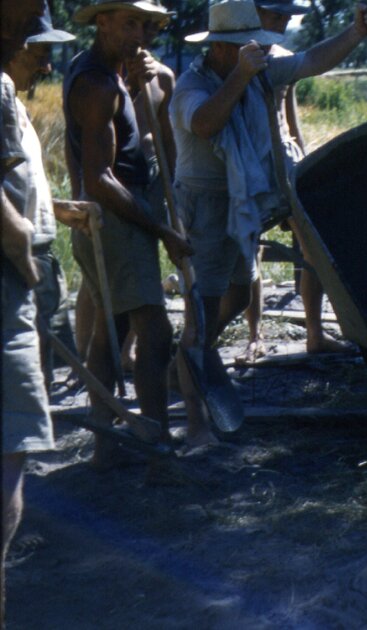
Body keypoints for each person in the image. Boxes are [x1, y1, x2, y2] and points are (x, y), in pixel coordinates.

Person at [170, 0, 367, 445]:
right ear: (225, 48)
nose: (262, 50)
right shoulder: (191, 84)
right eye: (252, 45)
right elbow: (206, 123)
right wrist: (242, 77)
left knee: (239, 293)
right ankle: (194, 425)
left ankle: (192, 364)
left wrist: (355, 31)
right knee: (201, 315)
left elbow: (311, 61)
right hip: (204, 208)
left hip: (239, 202)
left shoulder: (259, 69)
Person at [64, 0, 191, 461]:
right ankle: (156, 443)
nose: (142, 34)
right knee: (155, 336)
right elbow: (101, 175)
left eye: (147, 25)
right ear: (102, 22)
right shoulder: (97, 83)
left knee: (109, 329)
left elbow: (113, 142)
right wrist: (162, 230)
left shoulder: (106, 72)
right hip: (118, 221)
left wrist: (139, 88)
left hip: (109, 217)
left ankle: (105, 441)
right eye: (131, 23)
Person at [240, 0, 354, 362]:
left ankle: (315, 333)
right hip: (250, 166)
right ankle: (254, 335)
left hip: (286, 163)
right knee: (249, 250)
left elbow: (290, 119)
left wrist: (304, 164)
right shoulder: (236, 59)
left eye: (287, 16)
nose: (283, 22)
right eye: (276, 14)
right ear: (254, 13)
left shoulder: (285, 56)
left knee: (314, 247)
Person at [2, 0, 57, 620]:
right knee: (9, 453)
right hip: (9, 277)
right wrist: (22, 252)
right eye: (37, 35)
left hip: (21, 263)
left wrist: (48, 216)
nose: (44, 55)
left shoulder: (12, 98)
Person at [4, 20, 92, 389]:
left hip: (39, 252)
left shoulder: (15, 105)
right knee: (24, 378)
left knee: (43, 370)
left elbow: (13, 185)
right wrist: (22, 256)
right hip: (18, 257)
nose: (47, 67)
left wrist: (52, 208)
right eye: (39, 55)